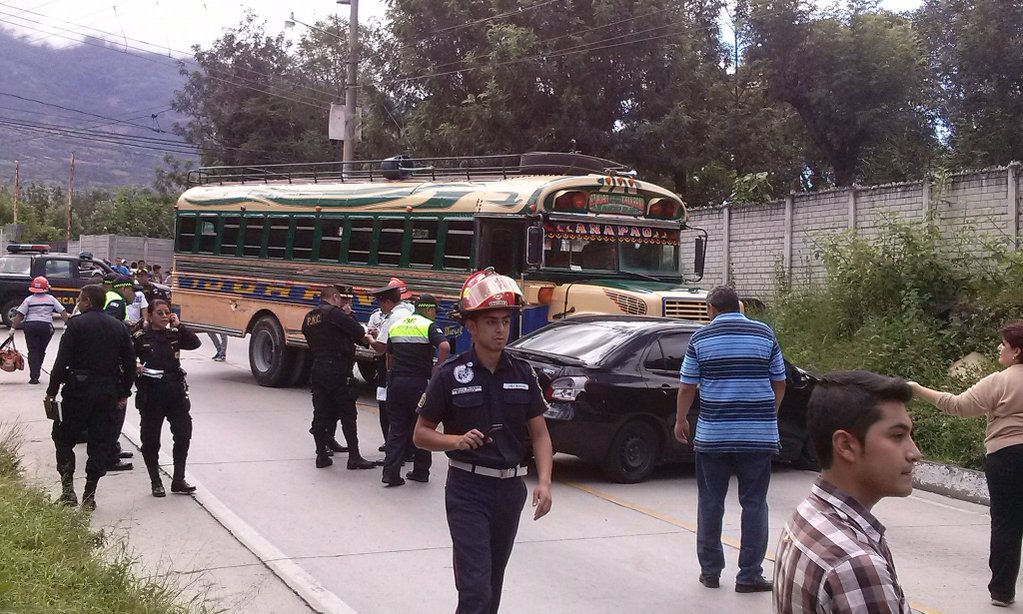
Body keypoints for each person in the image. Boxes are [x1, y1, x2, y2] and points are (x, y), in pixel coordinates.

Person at [413, 268, 554, 613]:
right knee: (475, 588)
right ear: (471, 327)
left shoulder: (523, 373)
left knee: (492, 585)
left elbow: (540, 434)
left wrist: (546, 483)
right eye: (491, 322)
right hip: (468, 491)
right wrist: (456, 441)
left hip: (510, 492)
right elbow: (420, 434)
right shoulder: (450, 375)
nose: (501, 329)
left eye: (505, 322)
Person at [774, 371, 919, 613]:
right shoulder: (856, 566)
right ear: (846, 446)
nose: (914, 453)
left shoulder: (808, 514)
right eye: (897, 436)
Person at [674, 285, 786, 593]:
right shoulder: (765, 335)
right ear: (740, 307)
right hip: (757, 437)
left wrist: (681, 419)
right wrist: (768, 414)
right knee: (754, 503)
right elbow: (780, 381)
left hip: (713, 437)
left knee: (710, 503)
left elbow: (687, 386)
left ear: (711, 308)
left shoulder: (701, 338)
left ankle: (710, 572)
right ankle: (749, 575)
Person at [909, 321, 1023, 608]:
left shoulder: (1000, 381)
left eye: (1004, 345)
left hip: (1006, 457)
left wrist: (918, 389)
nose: (999, 348)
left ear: (1017, 351)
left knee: (1007, 524)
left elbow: (957, 405)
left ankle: (1002, 591)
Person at [44, 284, 136, 510]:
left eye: (79, 299)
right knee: (100, 442)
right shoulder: (119, 327)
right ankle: (89, 495)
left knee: (63, 438)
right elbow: (130, 363)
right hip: (108, 393)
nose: (77, 302)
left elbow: (61, 361)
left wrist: (51, 391)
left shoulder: (76, 325)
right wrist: (124, 392)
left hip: (78, 392)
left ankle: (68, 491)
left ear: (87, 301)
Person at [301, 283, 377, 470]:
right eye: (342, 300)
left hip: (318, 367)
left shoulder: (310, 316)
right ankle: (354, 457)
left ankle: (321, 455)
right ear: (335, 298)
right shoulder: (335, 313)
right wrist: (348, 315)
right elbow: (359, 332)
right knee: (347, 413)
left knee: (321, 412)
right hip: (338, 368)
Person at [133, 299, 202, 497]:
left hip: (175, 393)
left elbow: (195, 343)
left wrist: (179, 325)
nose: (164, 317)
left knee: (183, 434)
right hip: (152, 394)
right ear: (150, 316)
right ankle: (155, 481)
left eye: (167, 313)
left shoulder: (174, 335)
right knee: (151, 440)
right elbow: (126, 358)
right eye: (160, 313)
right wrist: (134, 366)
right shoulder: (140, 337)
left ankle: (178, 478)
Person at [381, 294, 450, 486]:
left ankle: (391, 473)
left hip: (396, 382)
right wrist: (438, 369)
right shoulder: (428, 325)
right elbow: (445, 346)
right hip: (419, 383)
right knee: (423, 427)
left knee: (396, 428)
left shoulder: (397, 325)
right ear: (428, 309)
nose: (435, 314)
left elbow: (389, 354)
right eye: (435, 310)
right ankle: (420, 471)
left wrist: (390, 375)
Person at [368, 278, 414, 451]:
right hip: (409, 371)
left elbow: (381, 347)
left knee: (389, 409)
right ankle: (408, 449)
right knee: (408, 412)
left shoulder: (394, 317)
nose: (380, 307)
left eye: (381, 303)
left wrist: (370, 338)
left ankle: (394, 449)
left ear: (387, 301)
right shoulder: (412, 314)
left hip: (390, 370)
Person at [10, 276, 69, 384]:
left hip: (30, 327)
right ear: (46, 287)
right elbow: (62, 311)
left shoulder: (29, 300)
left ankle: (34, 376)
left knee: (33, 351)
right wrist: (69, 325)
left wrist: (12, 329)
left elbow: (19, 315)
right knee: (41, 350)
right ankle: (37, 369)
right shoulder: (51, 299)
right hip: (46, 327)